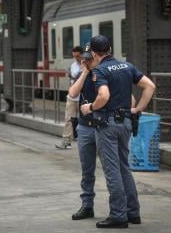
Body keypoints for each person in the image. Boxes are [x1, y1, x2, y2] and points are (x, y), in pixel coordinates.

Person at [81, 35, 156, 228]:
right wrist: (138, 109)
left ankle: (118, 215)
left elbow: (104, 95)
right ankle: (133, 212)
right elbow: (150, 86)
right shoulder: (127, 66)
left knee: (112, 170)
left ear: (95, 54)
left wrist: (90, 107)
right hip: (126, 123)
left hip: (108, 125)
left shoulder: (100, 70)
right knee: (124, 168)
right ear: (110, 49)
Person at [68, 44, 98, 220]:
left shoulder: (106, 73)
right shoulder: (83, 74)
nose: (85, 61)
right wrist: (85, 72)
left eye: (88, 58)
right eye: (83, 58)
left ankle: (118, 208)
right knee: (87, 171)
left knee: (112, 170)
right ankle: (87, 205)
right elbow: (72, 93)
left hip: (104, 127)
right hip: (85, 126)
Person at [55, 46, 83, 149]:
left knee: (86, 120)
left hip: (83, 97)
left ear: (82, 54)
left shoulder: (88, 65)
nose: (76, 58)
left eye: (78, 56)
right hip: (72, 97)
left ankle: (89, 143)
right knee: (68, 119)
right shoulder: (73, 65)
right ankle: (66, 141)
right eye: (74, 56)